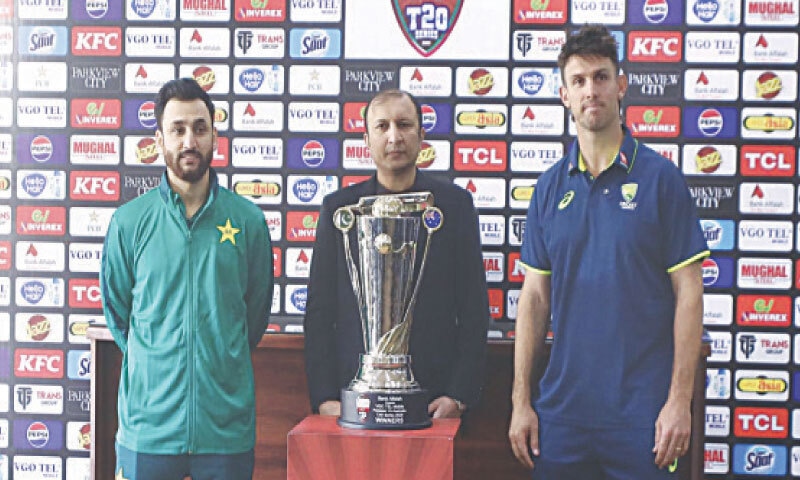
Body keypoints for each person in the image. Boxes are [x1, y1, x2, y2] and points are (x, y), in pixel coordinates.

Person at [508, 25, 709, 479]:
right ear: (563, 95)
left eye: (601, 77)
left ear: (620, 86)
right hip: (562, 414)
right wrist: (521, 401)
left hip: (644, 415)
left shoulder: (662, 180)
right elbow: (535, 298)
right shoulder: (548, 187)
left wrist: (679, 401)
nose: (591, 90)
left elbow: (690, 294)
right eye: (578, 81)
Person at [101, 78, 273, 480]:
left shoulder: (248, 222)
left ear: (214, 135)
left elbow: (254, 317)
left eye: (199, 128)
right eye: (177, 130)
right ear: (159, 140)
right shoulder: (129, 223)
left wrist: (216, 360)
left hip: (225, 431)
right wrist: (157, 361)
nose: (189, 140)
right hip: (149, 430)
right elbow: (119, 315)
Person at [304, 89, 489, 419]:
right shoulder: (340, 210)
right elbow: (320, 311)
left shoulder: (454, 206)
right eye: (383, 126)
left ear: (421, 135)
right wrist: (323, 397)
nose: (394, 136)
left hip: (432, 401)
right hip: (354, 399)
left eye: (404, 125)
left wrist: (458, 396)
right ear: (366, 138)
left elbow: (473, 309)